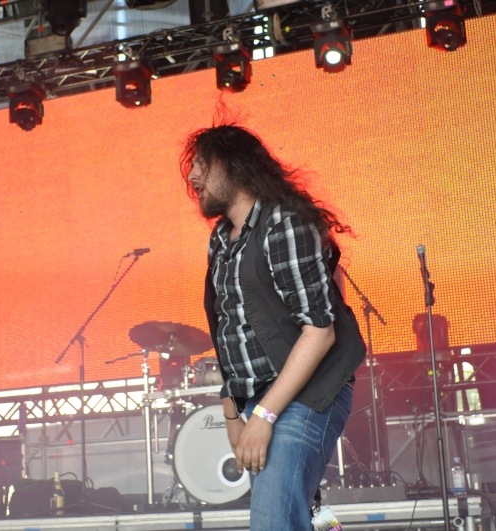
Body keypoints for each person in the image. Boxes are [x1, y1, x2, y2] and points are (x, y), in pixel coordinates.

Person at [181, 124, 366, 529]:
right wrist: (233, 415)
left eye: (202, 164)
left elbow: (320, 331)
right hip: (260, 400)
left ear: (233, 166)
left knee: (272, 521)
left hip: (307, 393)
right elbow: (228, 330)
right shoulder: (221, 238)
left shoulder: (284, 223)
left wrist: (263, 417)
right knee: (291, 516)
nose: (192, 176)